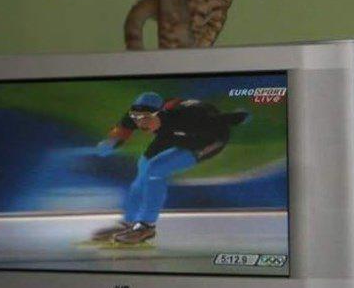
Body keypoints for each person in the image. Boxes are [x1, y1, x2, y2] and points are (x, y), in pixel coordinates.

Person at [92, 92, 250, 244]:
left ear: (160, 113)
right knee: (144, 166)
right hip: (171, 132)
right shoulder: (140, 114)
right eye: (136, 118)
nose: (140, 123)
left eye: (146, 118)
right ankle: (130, 222)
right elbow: (122, 131)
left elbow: (222, 120)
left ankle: (146, 226)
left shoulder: (186, 116)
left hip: (208, 138)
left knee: (156, 170)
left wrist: (239, 116)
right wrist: (110, 143)